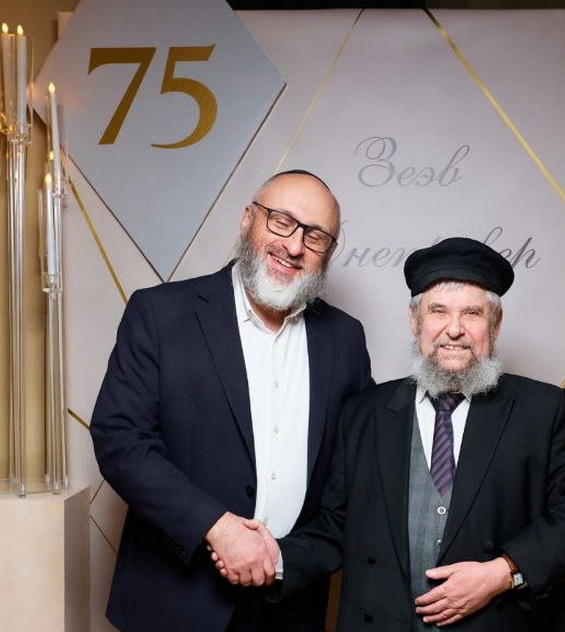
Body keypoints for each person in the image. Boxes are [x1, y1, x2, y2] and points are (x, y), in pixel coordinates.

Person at [229, 236, 565, 630]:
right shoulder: (363, 413)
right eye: (438, 311)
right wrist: (274, 559)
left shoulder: (541, 410)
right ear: (415, 320)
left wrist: (502, 572)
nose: (454, 330)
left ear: (495, 324)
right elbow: (335, 527)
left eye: (472, 313)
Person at [90, 170, 373, 631]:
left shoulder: (345, 339)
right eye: (282, 221)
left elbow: (355, 473)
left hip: (289, 606)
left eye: (316, 236)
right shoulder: (160, 313)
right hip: (174, 601)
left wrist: (287, 561)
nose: (294, 246)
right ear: (247, 219)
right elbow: (120, 441)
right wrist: (216, 527)